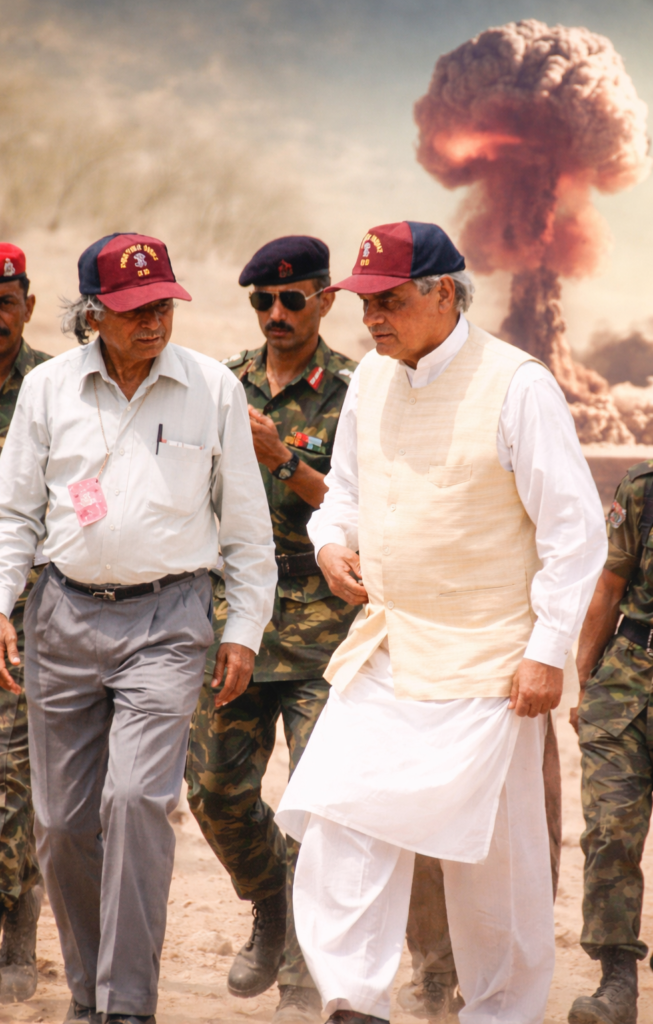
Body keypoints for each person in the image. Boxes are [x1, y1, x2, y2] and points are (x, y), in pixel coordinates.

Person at [275, 220, 607, 1024]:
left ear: (444, 293)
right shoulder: (371, 381)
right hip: (387, 646)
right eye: (364, 305)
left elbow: (574, 533)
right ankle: (354, 1001)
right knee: (342, 816)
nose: (371, 321)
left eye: (387, 301)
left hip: (492, 663)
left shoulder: (517, 385)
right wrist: (329, 545)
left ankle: (498, 1011)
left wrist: (546, 652)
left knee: (492, 857)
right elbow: (343, 496)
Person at [0, 232, 277, 1024]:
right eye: (133, 309)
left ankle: (127, 1007)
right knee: (61, 823)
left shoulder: (211, 388)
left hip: (169, 622)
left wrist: (243, 625)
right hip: (63, 618)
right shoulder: (46, 390)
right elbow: (11, 515)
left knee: (138, 800)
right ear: (92, 314)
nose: (153, 321)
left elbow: (245, 526)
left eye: (163, 305)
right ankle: (89, 997)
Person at [185, 235, 358, 1024]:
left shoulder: (357, 391)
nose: (278, 314)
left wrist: (280, 457)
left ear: (325, 299)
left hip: (326, 618)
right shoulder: (221, 384)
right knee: (217, 792)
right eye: (263, 301)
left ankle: (301, 972)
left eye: (294, 299)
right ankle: (271, 902)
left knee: (318, 803)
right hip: (238, 617)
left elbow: (362, 507)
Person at [0, 243, 49, 1003]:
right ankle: (10, 913)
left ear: (27, 302)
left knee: (10, 771)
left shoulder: (58, 388)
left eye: (4, 300)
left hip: (28, 615)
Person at [399, 717, 563, 1022]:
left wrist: (545, 665)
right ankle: (435, 968)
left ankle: (501, 985)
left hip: (503, 686)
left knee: (513, 834)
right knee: (428, 825)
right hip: (429, 687)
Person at [568, 462, 653, 1024]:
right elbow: (610, 584)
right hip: (627, 682)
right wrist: (585, 680)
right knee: (609, 830)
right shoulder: (643, 488)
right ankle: (617, 980)